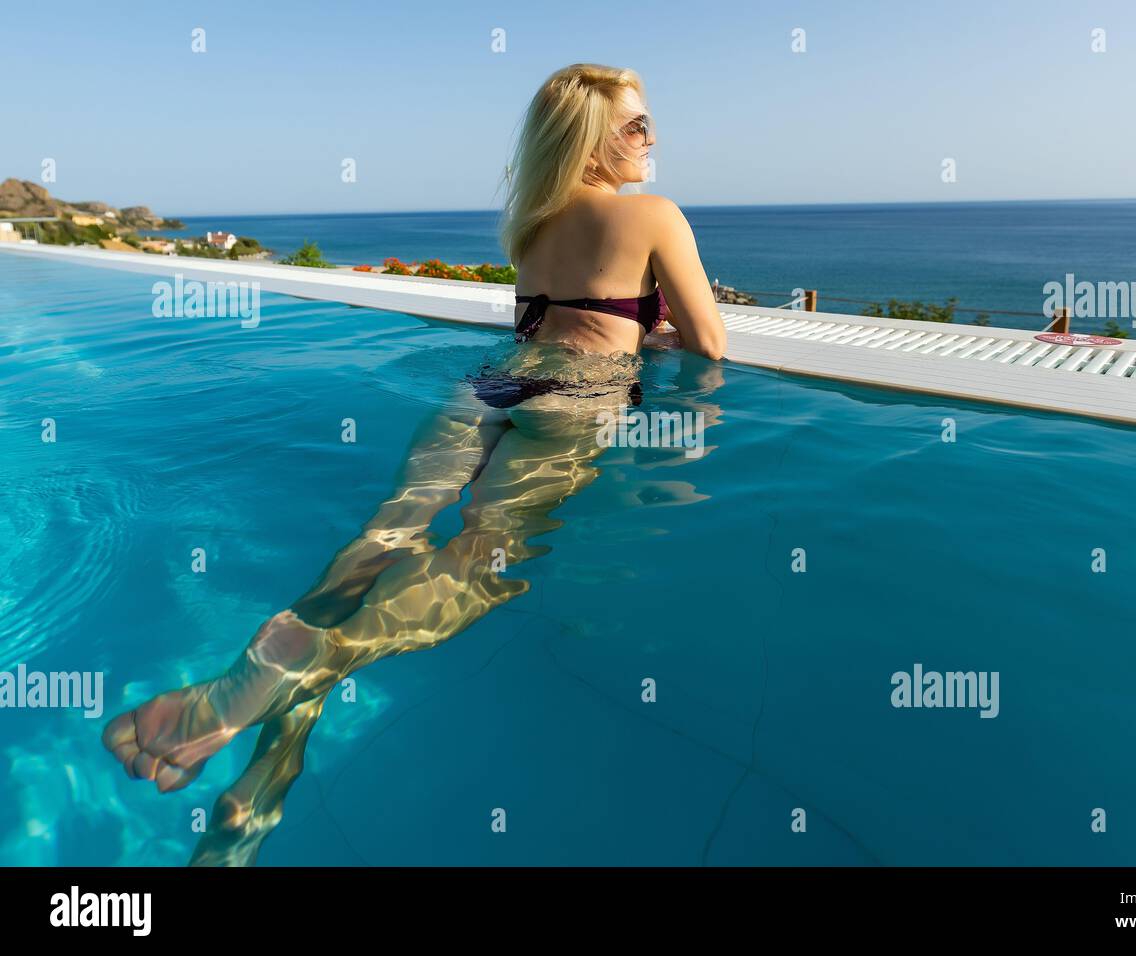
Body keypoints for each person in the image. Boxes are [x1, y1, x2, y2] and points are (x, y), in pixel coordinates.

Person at [102, 63, 727, 865]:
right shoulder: (653, 216)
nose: (653, 138)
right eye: (637, 126)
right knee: (480, 564)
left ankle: (269, 766)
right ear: (591, 142)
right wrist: (655, 338)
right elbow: (710, 345)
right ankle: (312, 666)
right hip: (574, 398)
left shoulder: (533, 222)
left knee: (375, 546)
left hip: (490, 385)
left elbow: (558, 320)